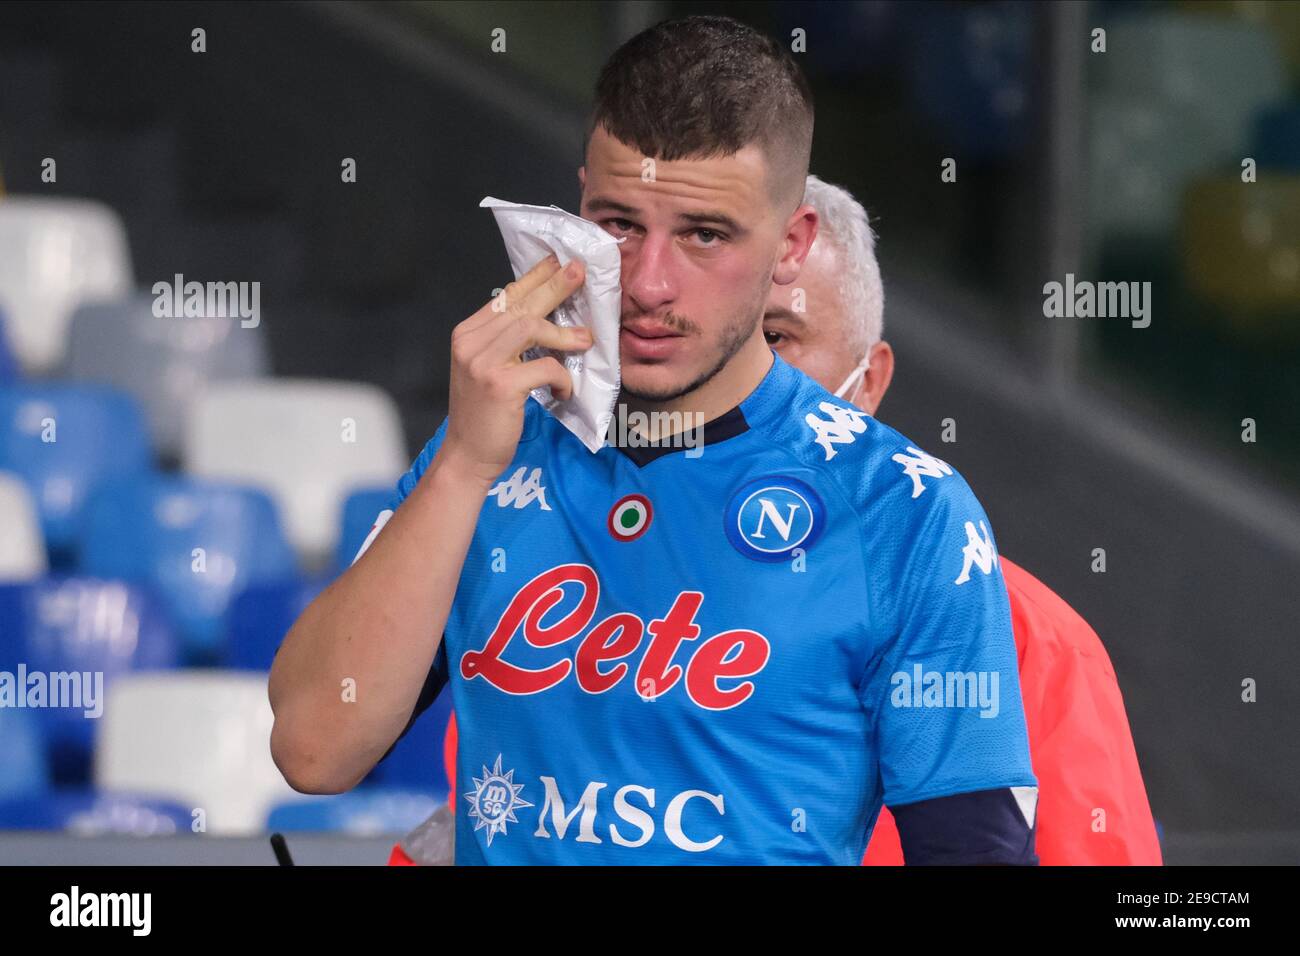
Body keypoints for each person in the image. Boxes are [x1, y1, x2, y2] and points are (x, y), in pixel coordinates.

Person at [273, 14, 1038, 864]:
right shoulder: (488, 448)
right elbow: (313, 749)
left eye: (704, 235)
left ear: (791, 245)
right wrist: (459, 466)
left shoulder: (904, 507)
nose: (647, 283)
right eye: (619, 224)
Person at [397, 173, 1163, 867]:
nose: (737, 377)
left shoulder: (1032, 639)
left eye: (775, 340)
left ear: (869, 386)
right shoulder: (533, 554)